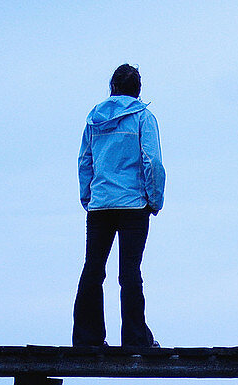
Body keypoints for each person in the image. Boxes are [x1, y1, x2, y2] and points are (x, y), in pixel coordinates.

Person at [72, 64, 166, 348]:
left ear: (112, 86)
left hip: (100, 204)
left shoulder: (94, 118)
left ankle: (87, 338)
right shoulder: (143, 117)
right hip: (133, 205)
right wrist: (155, 199)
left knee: (93, 269)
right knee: (129, 273)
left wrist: (87, 197)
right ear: (138, 90)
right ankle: (135, 339)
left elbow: (84, 161)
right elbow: (153, 162)